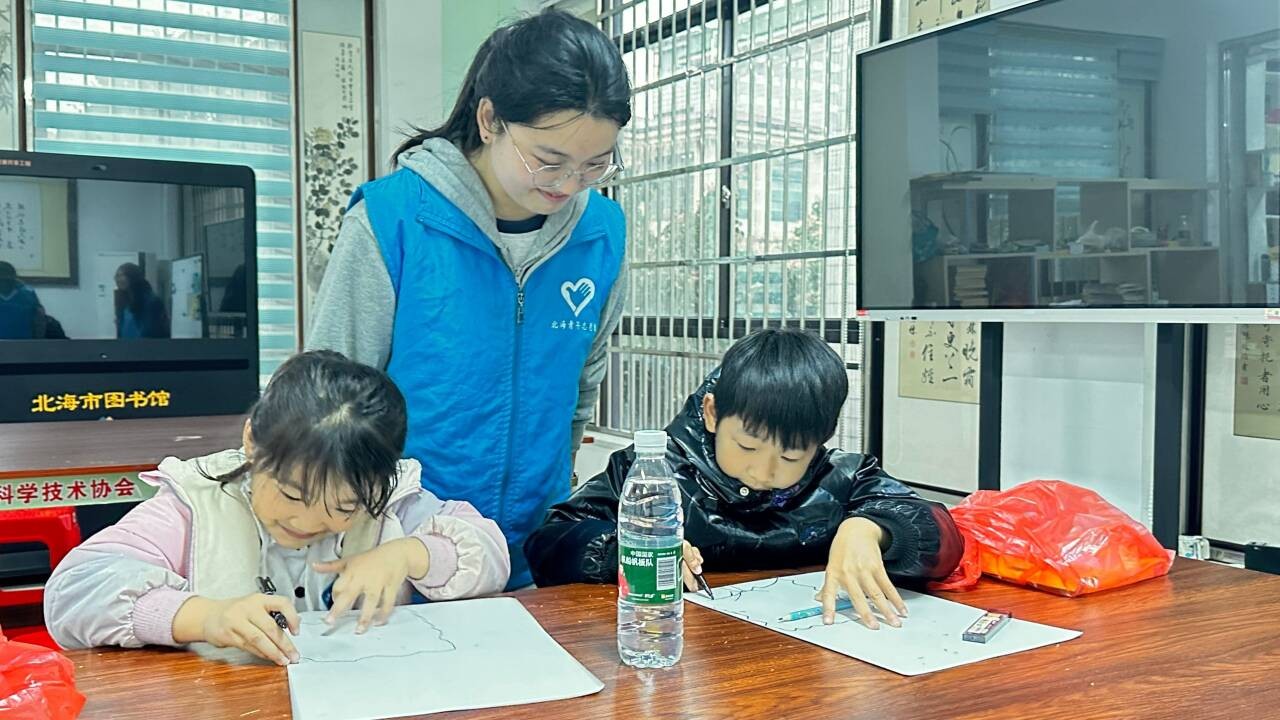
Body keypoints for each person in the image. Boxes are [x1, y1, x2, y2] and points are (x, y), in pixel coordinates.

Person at [306, 9, 632, 588]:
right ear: (489, 120)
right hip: (393, 554)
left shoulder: (601, 233)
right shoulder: (392, 219)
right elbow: (330, 401)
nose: (567, 184)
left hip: (530, 555)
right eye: (548, 161)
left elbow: (581, 389)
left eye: (594, 165)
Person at [44, 350, 511, 665]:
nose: (308, 521)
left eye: (344, 506)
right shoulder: (197, 504)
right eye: (291, 494)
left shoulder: (392, 505)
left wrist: (410, 553)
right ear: (252, 441)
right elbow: (74, 592)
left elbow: (489, 555)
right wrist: (204, 617)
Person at [525, 329, 964, 629]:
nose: (763, 471)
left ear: (821, 440)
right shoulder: (653, 471)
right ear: (713, 413)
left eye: (790, 455)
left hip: (805, 659)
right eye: (748, 446)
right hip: (682, 653)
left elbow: (945, 539)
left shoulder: (841, 476)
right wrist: (629, 549)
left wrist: (872, 529)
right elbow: (549, 544)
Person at [114, 262, 170, 338]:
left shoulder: (151, 302)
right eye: (117, 276)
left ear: (133, 276)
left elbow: (152, 332)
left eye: (121, 275)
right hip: (127, 344)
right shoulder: (124, 302)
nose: (118, 279)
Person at [0, 260, 44, 339]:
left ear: (14, 278)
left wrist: (37, 343)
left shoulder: (28, 294)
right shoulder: (28, 293)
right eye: (2, 280)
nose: (4, 283)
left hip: (25, 343)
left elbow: (39, 321)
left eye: (6, 280)